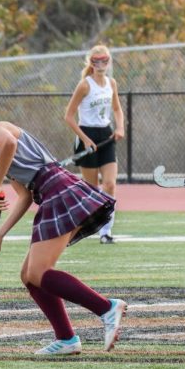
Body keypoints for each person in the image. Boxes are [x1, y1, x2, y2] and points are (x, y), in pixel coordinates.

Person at [0, 92, 127, 355]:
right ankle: (66, 338)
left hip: (58, 189)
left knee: (39, 272)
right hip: (47, 194)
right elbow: (25, 196)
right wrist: (0, 236)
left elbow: (9, 144)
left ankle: (107, 308)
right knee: (29, 276)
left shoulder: (0, 130)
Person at [63, 45, 125, 244]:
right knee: (92, 189)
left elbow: (117, 109)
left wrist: (120, 128)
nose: (101, 65)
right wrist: (85, 139)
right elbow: (69, 116)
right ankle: (83, 224)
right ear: (91, 63)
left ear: (109, 62)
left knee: (110, 184)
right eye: (96, 61)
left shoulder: (111, 83)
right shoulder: (85, 85)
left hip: (106, 135)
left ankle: (105, 231)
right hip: (87, 135)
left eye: (104, 60)